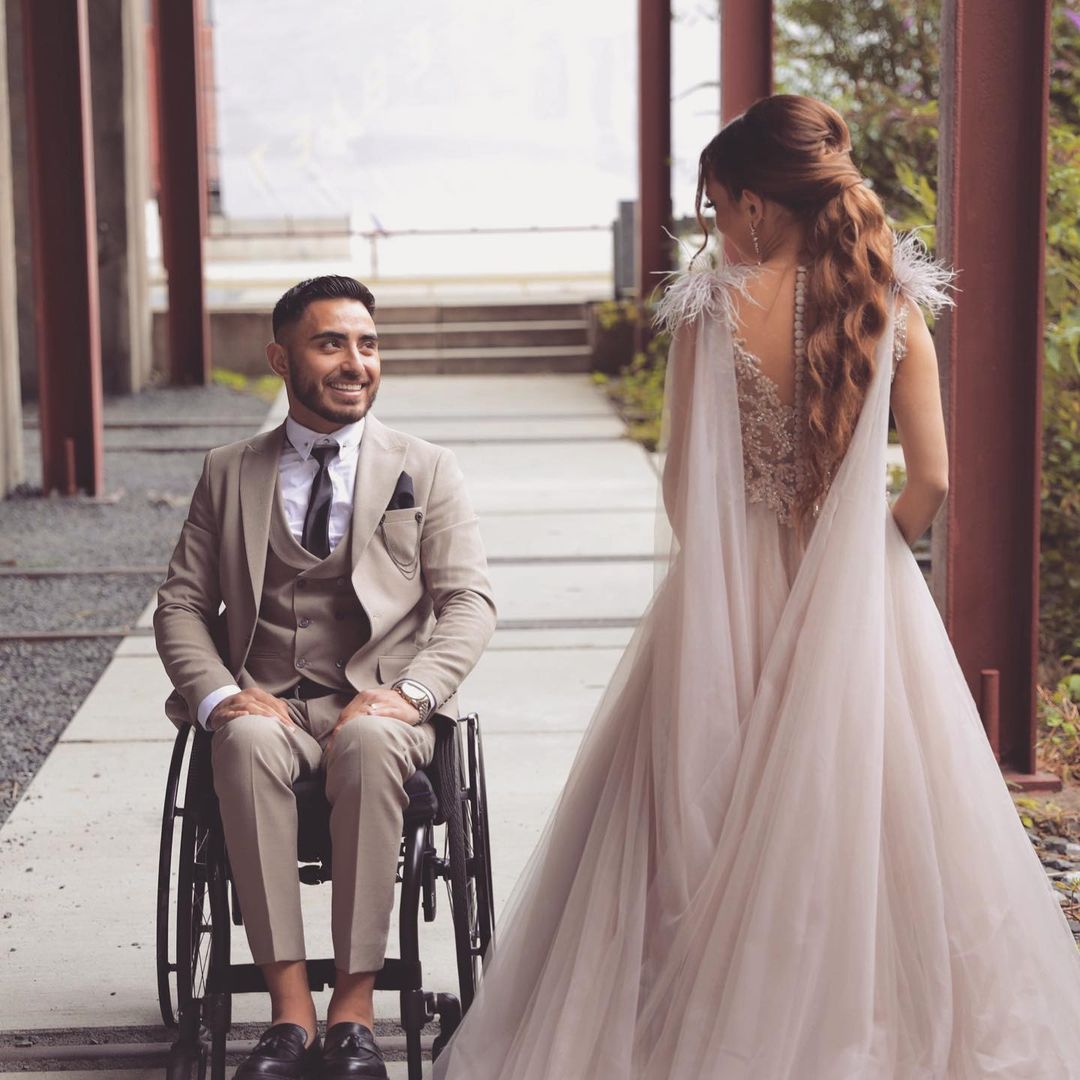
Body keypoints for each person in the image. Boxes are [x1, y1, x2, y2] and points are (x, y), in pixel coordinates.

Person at [433, 95, 1080, 1079]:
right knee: (880, 814)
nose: (714, 222)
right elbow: (935, 481)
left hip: (729, 600)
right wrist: (867, 555)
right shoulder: (894, 303)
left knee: (694, 811)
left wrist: (732, 571)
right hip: (859, 598)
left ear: (754, 202)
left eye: (717, 202)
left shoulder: (711, 309)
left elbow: (686, 493)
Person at [154, 275, 496, 1080]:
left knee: (375, 741)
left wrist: (412, 692)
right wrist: (219, 694)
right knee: (237, 741)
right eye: (330, 343)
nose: (356, 362)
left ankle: (353, 1009)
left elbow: (469, 601)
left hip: (379, 709)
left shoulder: (426, 467)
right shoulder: (228, 471)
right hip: (270, 703)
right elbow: (181, 606)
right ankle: (290, 1013)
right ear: (281, 357)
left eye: (368, 344)